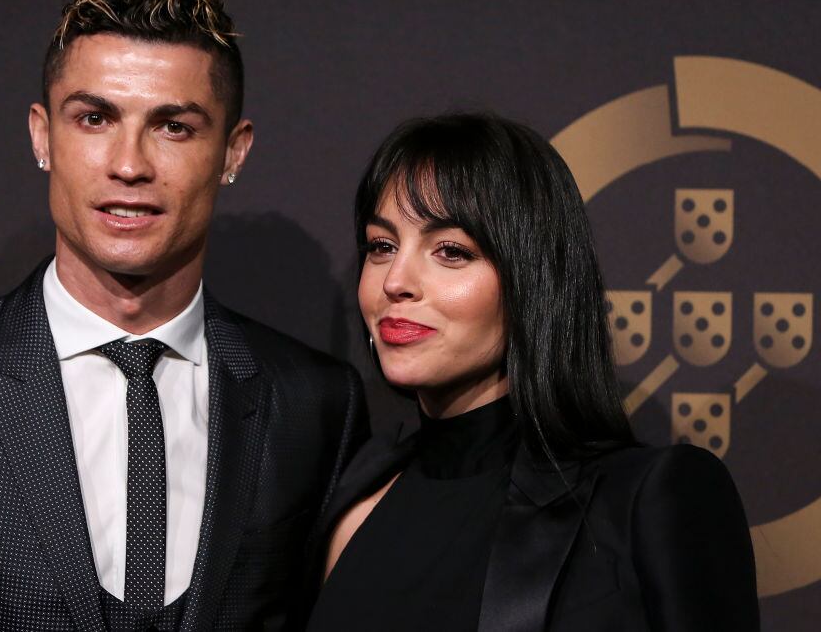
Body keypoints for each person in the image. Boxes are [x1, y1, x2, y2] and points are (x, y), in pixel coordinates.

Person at [0, 0, 367, 631]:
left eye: (174, 127)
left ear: (232, 152)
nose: (129, 163)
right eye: (95, 118)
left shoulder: (314, 403)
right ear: (43, 137)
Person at [305, 113, 759, 631]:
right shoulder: (353, 495)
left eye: (451, 251)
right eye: (381, 247)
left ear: (532, 281)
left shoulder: (647, 500)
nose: (396, 281)